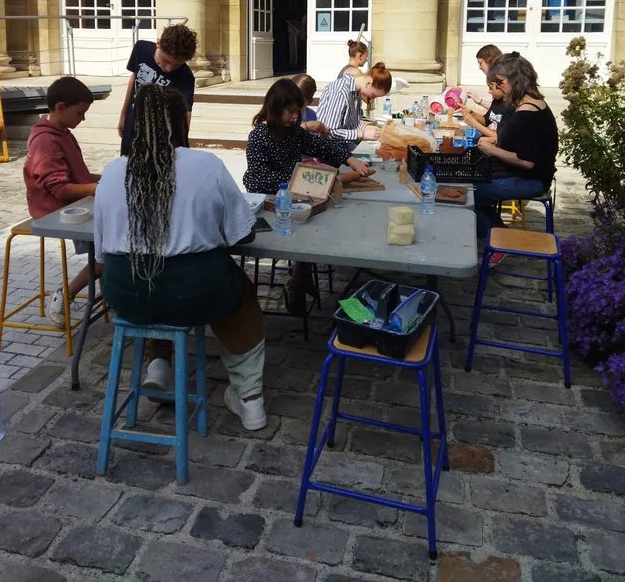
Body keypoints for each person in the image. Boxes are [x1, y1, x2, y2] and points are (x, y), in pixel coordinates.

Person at [96, 84, 268, 431]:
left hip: (124, 291)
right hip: (196, 291)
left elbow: (102, 251)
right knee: (239, 296)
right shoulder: (206, 165)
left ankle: (158, 365)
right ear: (182, 123)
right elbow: (243, 233)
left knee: (153, 279)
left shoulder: (112, 172)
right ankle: (250, 400)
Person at [244, 78, 370, 313]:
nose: (294, 117)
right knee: (301, 233)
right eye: (290, 112)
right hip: (268, 202)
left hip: (294, 199)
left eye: (297, 112)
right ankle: (298, 284)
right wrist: (296, 181)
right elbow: (255, 178)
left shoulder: (294, 133)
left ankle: (300, 279)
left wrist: (351, 160)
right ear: (275, 108)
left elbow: (323, 147)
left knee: (313, 229)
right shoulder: (259, 136)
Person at [23, 77, 101, 327]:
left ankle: (111, 292)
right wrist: (102, 187)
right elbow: (60, 189)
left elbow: (80, 177)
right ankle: (65, 295)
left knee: (122, 240)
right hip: (56, 211)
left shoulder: (63, 133)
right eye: (80, 113)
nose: (83, 119)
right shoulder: (45, 140)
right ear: (60, 107)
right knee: (114, 248)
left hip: (74, 204)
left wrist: (114, 175)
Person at [474, 53, 558, 251]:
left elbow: (526, 161)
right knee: (470, 185)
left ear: (516, 79)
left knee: (469, 196)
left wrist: (491, 149)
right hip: (519, 174)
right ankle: (499, 235)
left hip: (531, 180)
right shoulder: (524, 105)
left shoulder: (528, 112)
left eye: (501, 82)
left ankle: (498, 243)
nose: (500, 87)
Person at [118, 23, 197, 156]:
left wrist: (180, 143)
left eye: (177, 65)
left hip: (161, 135)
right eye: (166, 61)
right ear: (158, 43)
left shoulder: (185, 77)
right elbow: (134, 79)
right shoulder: (140, 49)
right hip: (133, 123)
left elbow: (185, 112)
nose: (168, 68)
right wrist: (124, 114)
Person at [317, 62, 392, 145]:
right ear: (368, 83)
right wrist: (362, 134)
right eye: (374, 95)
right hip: (328, 149)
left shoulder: (356, 91)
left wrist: (366, 128)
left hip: (342, 148)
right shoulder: (340, 92)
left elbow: (351, 126)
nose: (373, 98)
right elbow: (329, 132)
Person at [467, 44, 502, 115]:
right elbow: (497, 109)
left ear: (489, 61)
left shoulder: (502, 81)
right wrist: (478, 101)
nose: (480, 67)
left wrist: (471, 111)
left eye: (480, 63)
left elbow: (498, 114)